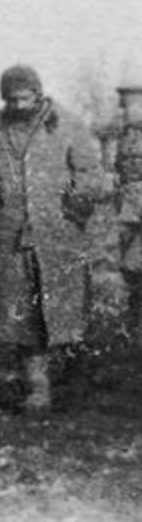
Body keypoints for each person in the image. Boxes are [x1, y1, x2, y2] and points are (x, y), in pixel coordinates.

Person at [0, 64, 105, 412]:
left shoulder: (68, 123)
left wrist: (75, 211)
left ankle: (78, 373)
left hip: (61, 233)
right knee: (22, 317)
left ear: (38, 94)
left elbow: (89, 172)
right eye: (10, 99)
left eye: (23, 98)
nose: (16, 106)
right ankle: (37, 388)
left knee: (68, 307)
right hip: (12, 237)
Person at [102, 83, 142, 339]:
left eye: (129, 104)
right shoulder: (124, 134)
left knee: (134, 264)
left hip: (137, 207)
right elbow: (114, 167)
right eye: (123, 104)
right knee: (129, 267)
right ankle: (135, 319)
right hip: (127, 206)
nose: (124, 109)